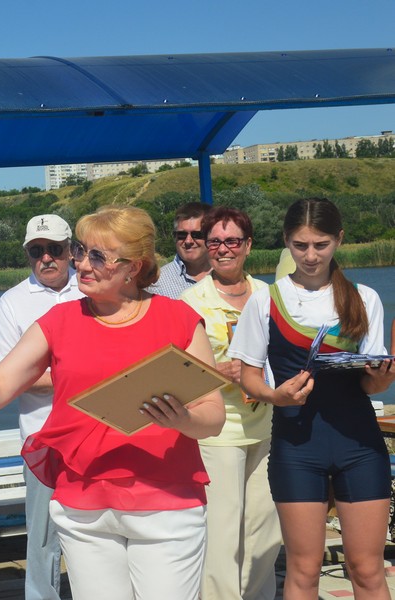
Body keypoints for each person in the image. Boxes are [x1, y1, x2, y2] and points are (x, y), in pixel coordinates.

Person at [0, 205, 226, 600]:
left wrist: (181, 418)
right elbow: (1, 383)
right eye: (82, 251)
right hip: (84, 507)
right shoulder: (59, 321)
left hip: (167, 505)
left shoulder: (180, 319)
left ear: (134, 266)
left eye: (98, 256)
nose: (82, 264)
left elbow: (213, 417)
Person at [229, 197, 395, 600]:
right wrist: (276, 395)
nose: (310, 255)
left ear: (339, 239)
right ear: (286, 241)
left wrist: (382, 377)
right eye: (300, 245)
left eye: (321, 245)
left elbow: (371, 386)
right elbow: (248, 377)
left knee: (367, 570)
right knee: (303, 571)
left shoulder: (364, 298)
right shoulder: (265, 300)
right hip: (297, 447)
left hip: (360, 445)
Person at [179, 207, 280, 600]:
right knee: (222, 534)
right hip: (218, 431)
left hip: (269, 425)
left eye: (232, 241)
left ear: (248, 245)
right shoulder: (191, 302)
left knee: (265, 531)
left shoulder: (270, 295)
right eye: (215, 242)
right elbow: (179, 375)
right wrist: (220, 371)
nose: (223, 249)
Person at [0, 214, 84, 600]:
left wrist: (49, 374)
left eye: (55, 249)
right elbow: (6, 376)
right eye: (36, 250)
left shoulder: (93, 289)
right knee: (43, 539)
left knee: (96, 533)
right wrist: (81, 377)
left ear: (71, 250)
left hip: (97, 434)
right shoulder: (11, 302)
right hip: (41, 440)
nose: (46, 258)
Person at [147, 202, 212, 299]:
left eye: (196, 235)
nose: (188, 241)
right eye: (182, 235)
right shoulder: (156, 284)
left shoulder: (228, 275)